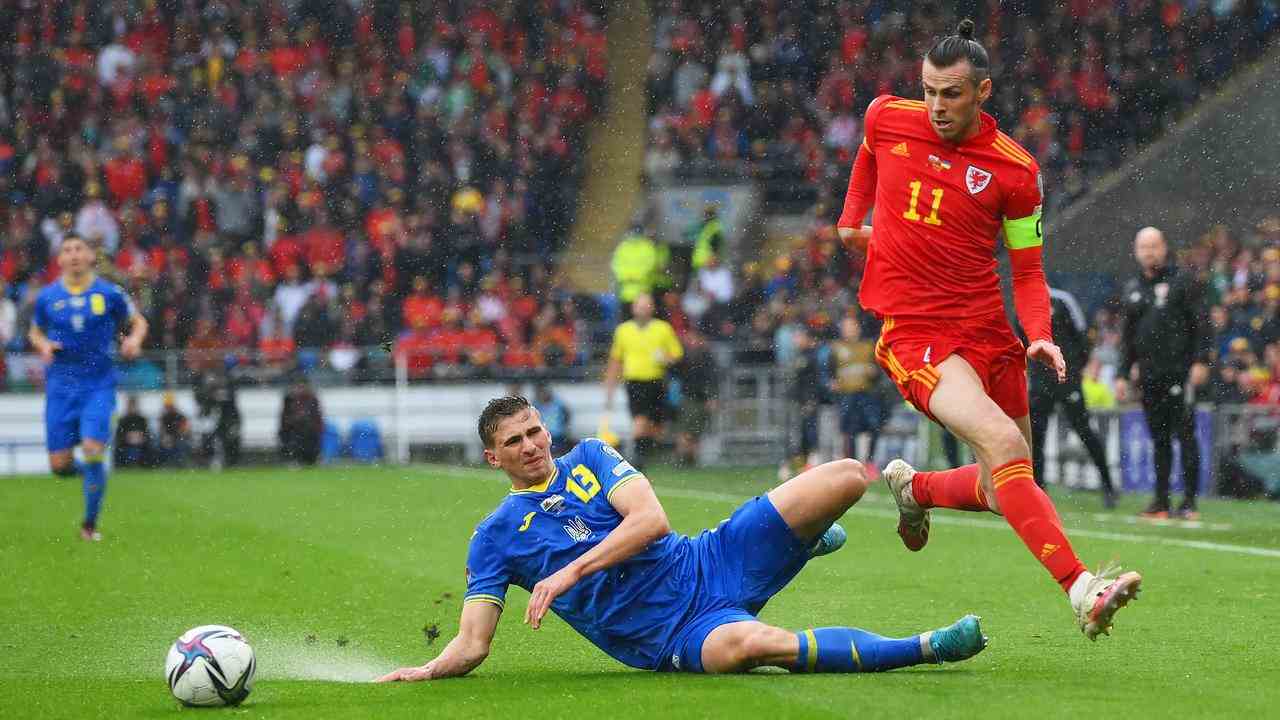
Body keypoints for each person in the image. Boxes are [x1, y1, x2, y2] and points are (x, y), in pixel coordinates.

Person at [836, 20, 1140, 640]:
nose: (937, 107)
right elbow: (868, 151)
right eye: (928, 91)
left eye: (951, 94)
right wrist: (851, 219)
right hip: (916, 332)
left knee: (1004, 483)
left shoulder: (1014, 172)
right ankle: (1083, 590)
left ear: (983, 92)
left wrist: (1039, 333)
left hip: (987, 332)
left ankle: (915, 488)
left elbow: (1028, 270)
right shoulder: (886, 117)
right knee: (1004, 443)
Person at [377, 396, 986, 681]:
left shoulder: (590, 455)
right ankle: (928, 647)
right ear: (493, 458)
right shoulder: (493, 539)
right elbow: (472, 641)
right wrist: (428, 671)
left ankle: (806, 540)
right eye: (515, 442)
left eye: (535, 431)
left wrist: (566, 574)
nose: (532, 446)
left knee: (848, 477)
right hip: (671, 634)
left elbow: (652, 523)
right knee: (752, 644)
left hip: (706, 559)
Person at [28, 233, 148, 541]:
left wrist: (133, 340)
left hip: (98, 384)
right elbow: (35, 332)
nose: (74, 254)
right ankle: (94, 476)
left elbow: (138, 322)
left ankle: (89, 525)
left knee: (94, 448)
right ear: (60, 260)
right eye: (67, 250)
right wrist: (42, 345)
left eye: (79, 248)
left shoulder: (109, 294)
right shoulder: (48, 297)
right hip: (60, 387)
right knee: (60, 465)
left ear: (91, 256)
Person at [1116, 227, 1210, 520]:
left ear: (1164, 247)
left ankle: (1190, 501)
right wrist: (1122, 373)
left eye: (1154, 246)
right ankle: (1160, 501)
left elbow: (1202, 324)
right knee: (1158, 439)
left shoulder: (1182, 281)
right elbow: (1128, 336)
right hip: (1149, 375)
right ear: (1136, 251)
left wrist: (1201, 361)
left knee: (1185, 434)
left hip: (1179, 372)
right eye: (1144, 247)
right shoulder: (1132, 288)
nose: (1149, 252)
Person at [1029, 287, 1117, 508]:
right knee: (1036, 434)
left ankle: (1108, 486)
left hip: (1066, 377)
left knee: (1084, 430)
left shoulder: (1062, 300)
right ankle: (1038, 489)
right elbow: (1022, 342)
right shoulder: (1024, 303)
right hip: (1040, 381)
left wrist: (1074, 369)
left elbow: (1081, 334)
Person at [603, 294, 683, 468]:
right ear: (633, 309)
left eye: (647, 306)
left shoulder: (663, 328)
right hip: (635, 382)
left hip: (657, 381)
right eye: (640, 306)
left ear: (652, 308)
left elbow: (676, 354)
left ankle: (643, 454)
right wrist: (610, 385)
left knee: (655, 426)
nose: (643, 309)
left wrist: (665, 358)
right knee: (640, 419)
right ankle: (637, 459)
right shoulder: (623, 330)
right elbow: (616, 360)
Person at [279, 374, 323, 465]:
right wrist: (295, 420)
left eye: (303, 386)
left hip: (309, 431)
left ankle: (309, 458)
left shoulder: (312, 399)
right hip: (294, 430)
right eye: (299, 386)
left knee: (308, 434)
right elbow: (284, 418)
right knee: (295, 436)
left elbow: (317, 417)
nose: (300, 389)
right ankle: (295, 459)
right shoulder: (289, 399)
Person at [532, 383, 574, 455]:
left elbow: (567, 416)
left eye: (545, 392)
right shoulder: (535, 406)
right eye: (541, 392)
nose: (543, 395)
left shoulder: (558, 404)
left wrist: (564, 428)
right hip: (542, 436)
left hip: (558, 436)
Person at [113, 395, 152, 468]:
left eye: (134, 406)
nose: (132, 408)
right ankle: (123, 465)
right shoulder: (123, 420)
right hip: (126, 443)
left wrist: (141, 437)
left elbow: (147, 432)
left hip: (141, 443)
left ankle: (145, 465)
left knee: (150, 448)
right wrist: (127, 438)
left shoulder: (142, 419)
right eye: (131, 406)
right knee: (119, 448)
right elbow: (119, 434)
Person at [156, 391, 193, 467]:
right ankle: (166, 464)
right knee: (159, 445)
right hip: (167, 439)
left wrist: (174, 438)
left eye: (169, 406)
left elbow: (185, 431)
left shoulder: (180, 416)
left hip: (179, 439)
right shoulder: (163, 417)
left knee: (181, 445)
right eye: (167, 406)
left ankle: (179, 464)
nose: (168, 408)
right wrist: (165, 437)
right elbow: (161, 430)